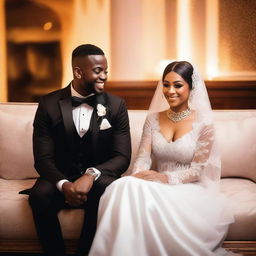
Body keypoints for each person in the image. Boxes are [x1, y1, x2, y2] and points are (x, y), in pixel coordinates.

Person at [89, 61, 236, 256]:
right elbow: (142, 158)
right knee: (122, 185)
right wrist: (139, 176)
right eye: (166, 84)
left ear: (191, 87)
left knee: (125, 186)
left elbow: (198, 170)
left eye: (178, 85)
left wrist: (165, 178)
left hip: (189, 189)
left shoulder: (204, 122)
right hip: (156, 185)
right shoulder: (153, 119)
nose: (170, 91)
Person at [27, 44, 131, 256]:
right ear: (78, 72)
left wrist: (90, 175)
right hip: (60, 174)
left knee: (106, 188)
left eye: (106, 70)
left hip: (98, 177)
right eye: (97, 71)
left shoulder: (116, 105)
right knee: (39, 195)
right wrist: (64, 184)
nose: (104, 76)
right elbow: (43, 159)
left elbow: (122, 157)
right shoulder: (48, 104)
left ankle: (86, 252)